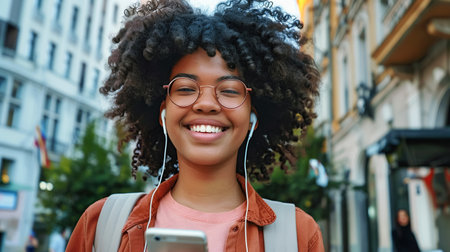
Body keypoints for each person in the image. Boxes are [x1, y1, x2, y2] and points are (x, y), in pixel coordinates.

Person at [66, 0, 323, 251]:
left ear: (252, 119)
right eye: (186, 88)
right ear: (163, 112)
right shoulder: (100, 225)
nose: (206, 104)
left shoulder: (299, 236)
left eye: (230, 90)